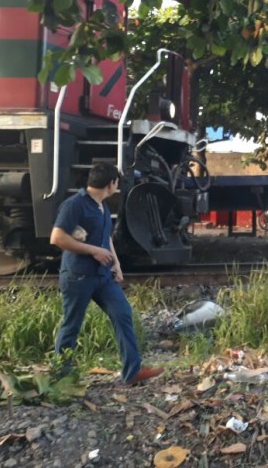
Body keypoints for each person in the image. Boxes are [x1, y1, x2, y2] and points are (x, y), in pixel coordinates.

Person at [50, 163, 164, 386]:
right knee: (72, 324)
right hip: (78, 276)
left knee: (123, 314)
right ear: (111, 184)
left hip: (103, 276)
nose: (117, 187)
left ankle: (132, 371)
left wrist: (117, 263)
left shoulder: (101, 206)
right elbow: (57, 238)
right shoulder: (74, 205)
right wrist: (94, 251)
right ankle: (60, 377)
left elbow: (106, 238)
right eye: (117, 183)